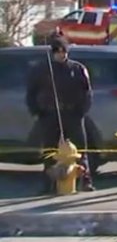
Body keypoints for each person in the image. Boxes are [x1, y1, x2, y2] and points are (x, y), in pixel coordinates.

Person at [26, 36, 94, 193]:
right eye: (58, 52)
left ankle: (85, 180)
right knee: (50, 151)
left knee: (80, 150)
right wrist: (37, 111)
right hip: (49, 114)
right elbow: (31, 93)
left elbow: (87, 92)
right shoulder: (41, 70)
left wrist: (81, 111)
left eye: (64, 51)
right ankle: (48, 184)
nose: (61, 55)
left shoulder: (77, 69)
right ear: (52, 53)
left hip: (72, 114)